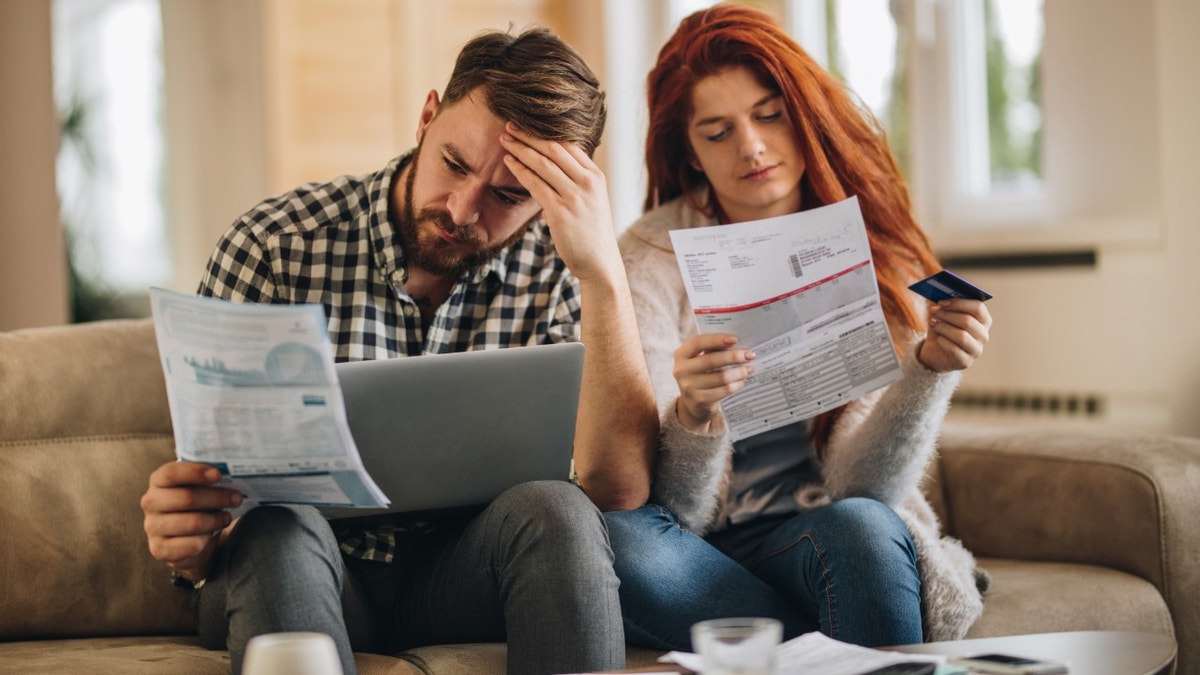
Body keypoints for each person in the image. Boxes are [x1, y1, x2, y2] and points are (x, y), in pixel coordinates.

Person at [139, 26, 658, 675]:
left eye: (508, 195)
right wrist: (188, 542)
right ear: (426, 117)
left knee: (559, 509)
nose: (464, 209)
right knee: (278, 525)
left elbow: (617, 487)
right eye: (455, 163)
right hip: (298, 563)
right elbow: (209, 503)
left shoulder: (562, 266)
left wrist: (603, 276)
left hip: (463, 575)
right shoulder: (275, 246)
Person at [604, 3, 993, 651]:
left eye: (768, 114)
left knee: (863, 528)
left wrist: (929, 370)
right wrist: (695, 412)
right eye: (717, 131)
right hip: (703, 550)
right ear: (692, 154)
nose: (751, 146)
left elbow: (863, 490)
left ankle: (770, 641)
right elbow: (666, 509)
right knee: (618, 542)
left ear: (801, 114)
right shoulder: (648, 256)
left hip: (825, 532)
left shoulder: (866, 244)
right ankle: (818, 640)